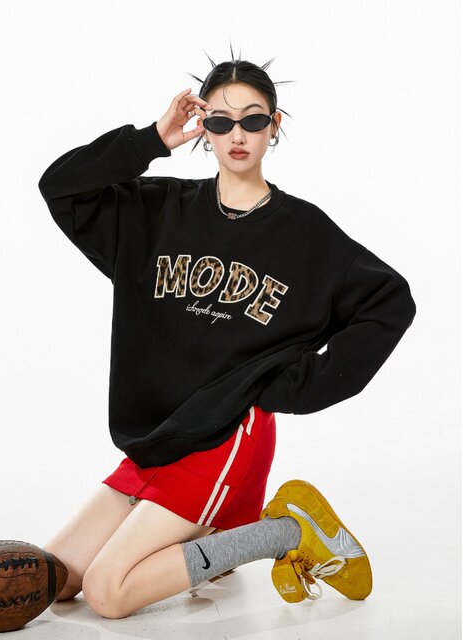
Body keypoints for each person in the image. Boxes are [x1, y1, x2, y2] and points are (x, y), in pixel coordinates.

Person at [39, 52, 416, 619]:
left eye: (253, 119)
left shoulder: (304, 233)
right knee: (58, 577)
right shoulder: (155, 212)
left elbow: (389, 301)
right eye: (220, 120)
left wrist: (295, 386)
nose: (236, 135)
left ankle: (283, 533)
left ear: (274, 125)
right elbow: (61, 187)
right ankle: (212, 539)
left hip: (226, 436)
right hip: (157, 437)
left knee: (107, 593)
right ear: (203, 127)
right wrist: (151, 140)